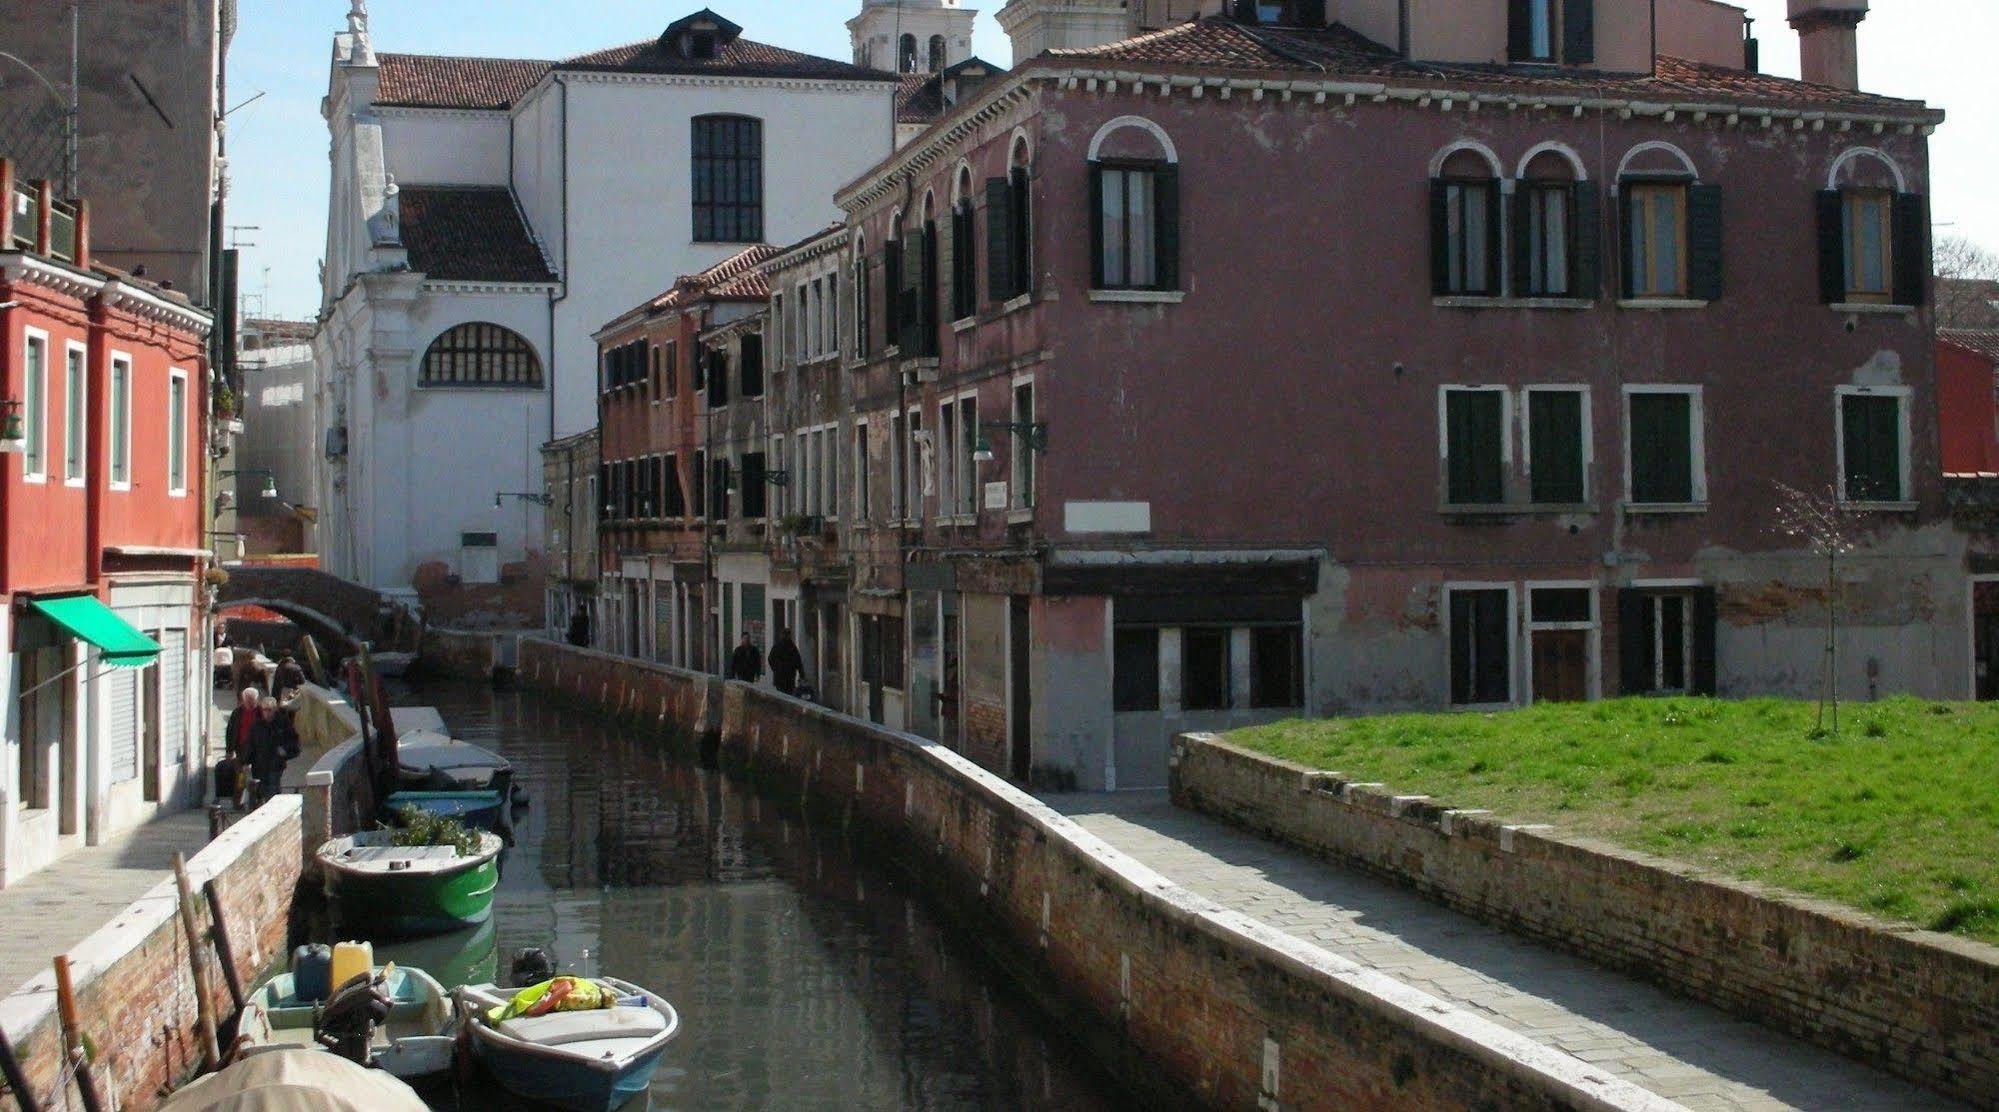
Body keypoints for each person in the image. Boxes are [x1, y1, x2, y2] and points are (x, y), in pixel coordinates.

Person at [248, 696, 300, 806]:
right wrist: (243, 761)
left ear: (275, 710)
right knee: (258, 794)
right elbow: (250, 745)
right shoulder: (256, 725)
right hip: (259, 766)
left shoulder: (283, 723)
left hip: (275, 765)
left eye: (269, 710)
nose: (266, 713)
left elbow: (294, 742)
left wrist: (285, 751)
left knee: (272, 794)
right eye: (264, 710)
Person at [224, 687, 261, 809]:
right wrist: (230, 750)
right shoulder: (237, 713)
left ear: (257, 700)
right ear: (243, 700)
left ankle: (256, 802)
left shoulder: (261, 713)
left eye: (252, 701)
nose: (250, 704)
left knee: (257, 777)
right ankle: (238, 802)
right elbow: (230, 732)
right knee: (240, 777)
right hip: (241, 749)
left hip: (257, 749)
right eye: (247, 701)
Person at [768, 628, 804, 696]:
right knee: (783, 694)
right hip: (782, 676)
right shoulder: (779, 646)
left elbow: (798, 661)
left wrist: (801, 674)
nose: (787, 636)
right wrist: (777, 669)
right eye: (786, 635)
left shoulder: (792, 647)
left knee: (786, 694)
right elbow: (770, 659)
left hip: (788, 676)